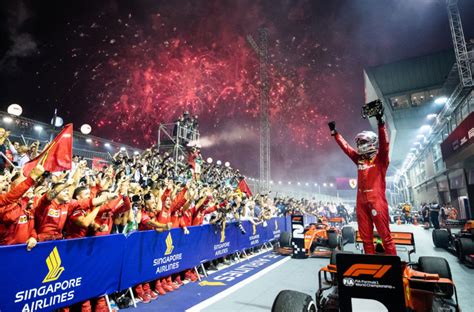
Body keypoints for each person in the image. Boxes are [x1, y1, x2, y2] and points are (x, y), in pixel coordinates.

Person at [328, 106, 396, 255]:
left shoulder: (381, 159)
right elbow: (347, 148)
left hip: (377, 201)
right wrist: (335, 134)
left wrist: (380, 122)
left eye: (363, 142)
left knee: (386, 237)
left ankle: (394, 266)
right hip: (360, 203)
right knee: (366, 238)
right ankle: (370, 265)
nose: (359, 146)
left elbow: (384, 143)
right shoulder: (359, 160)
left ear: (372, 143)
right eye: (358, 143)